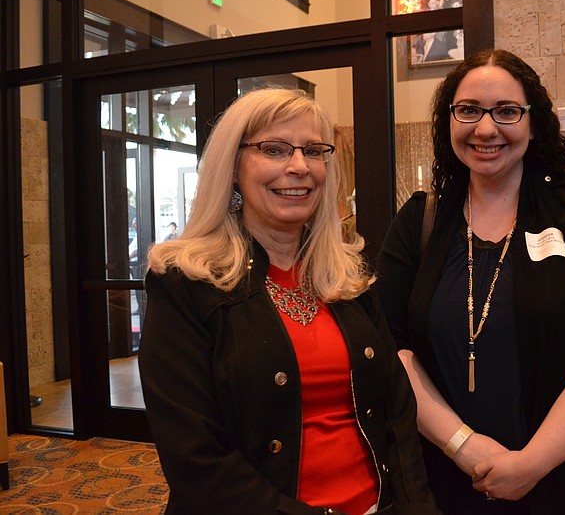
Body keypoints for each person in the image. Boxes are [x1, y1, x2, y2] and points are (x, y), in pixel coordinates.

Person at [375, 50, 565, 514]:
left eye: (506, 111)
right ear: (449, 120)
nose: (486, 129)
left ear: (532, 121)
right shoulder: (419, 221)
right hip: (447, 483)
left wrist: (532, 463)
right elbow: (389, 344)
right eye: (468, 110)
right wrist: (464, 446)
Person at [139, 88, 440, 515]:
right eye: (274, 149)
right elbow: (195, 459)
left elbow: (398, 415)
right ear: (233, 169)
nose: (299, 166)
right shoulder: (184, 284)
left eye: (313, 151)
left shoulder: (347, 280)